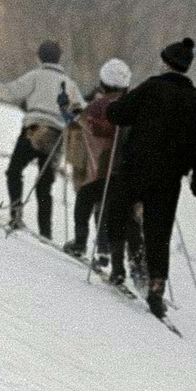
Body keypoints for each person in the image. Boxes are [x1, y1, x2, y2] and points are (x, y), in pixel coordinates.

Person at [105, 38, 196, 318]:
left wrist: (110, 108)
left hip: (136, 167)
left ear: (166, 62)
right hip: (168, 178)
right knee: (159, 232)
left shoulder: (152, 88)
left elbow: (119, 114)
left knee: (118, 209)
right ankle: (156, 287)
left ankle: (117, 265)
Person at [0, 40, 85, 236]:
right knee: (45, 185)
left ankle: (16, 213)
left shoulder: (36, 76)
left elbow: (11, 92)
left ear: (40, 57)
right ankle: (46, 231)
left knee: (14, 170)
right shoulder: (69, 84)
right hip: (56, 135)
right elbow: (79, 111)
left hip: (33, 129)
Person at [63, 59, 132, 265]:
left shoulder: (100, 104)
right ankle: (106, 253)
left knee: (88, 198)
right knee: (107, 207)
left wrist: (72, 112)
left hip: (107, 168)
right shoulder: (132, 106)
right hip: (128, 172)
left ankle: (81, 243)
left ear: (102, 82)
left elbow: (88, 124)